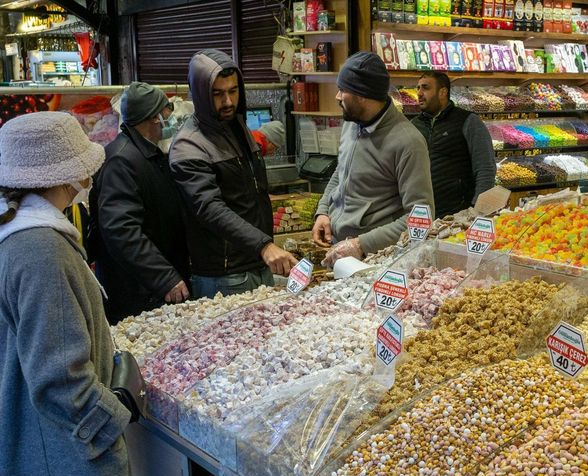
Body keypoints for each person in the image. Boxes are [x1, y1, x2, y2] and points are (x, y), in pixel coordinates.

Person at [0, 112, 134, 476]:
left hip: (39, 445)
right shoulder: (42, 250)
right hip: (68, 463)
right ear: (66, 175)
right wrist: (113, 419)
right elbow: (61, 380)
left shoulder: (16, 234)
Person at [170, 49, 296, 298]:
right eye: (217, 94)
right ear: (200, 94)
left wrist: (263, 247)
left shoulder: (237, 127)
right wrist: (263, 245)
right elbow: (210, 208)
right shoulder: (189, 145)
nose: (228, 101)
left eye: (233, 91)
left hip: (257, 263)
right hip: (225, 275)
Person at [313, 51, 434, 266]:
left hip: (376, 261)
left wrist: (361, 244)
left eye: (343, 90)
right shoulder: (352, 122)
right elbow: (341, 171)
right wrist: (323, 212)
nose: (337, 97)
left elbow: (420, 220)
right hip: (339, 249)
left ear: (362, 95)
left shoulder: (408, 142)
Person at [89, 81, 191, 324]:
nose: (170, 119)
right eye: (167, 113)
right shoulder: (121, 160)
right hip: (137, 293)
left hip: (151, 287)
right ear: (154, 117)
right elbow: (121, 229)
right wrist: (164, 277)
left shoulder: (147, 152)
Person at [412, 71, 496, 217]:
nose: (419, 93)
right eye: (418, 88)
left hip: (459, 213)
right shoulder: (414, 125)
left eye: (425, 88)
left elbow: (485, 167)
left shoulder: (468, 121)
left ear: (442, 92)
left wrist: (478, 210)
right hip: (421, 213)